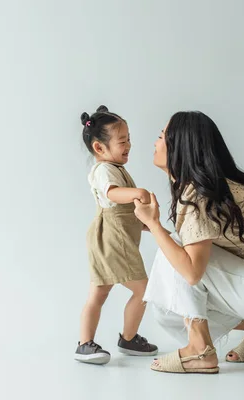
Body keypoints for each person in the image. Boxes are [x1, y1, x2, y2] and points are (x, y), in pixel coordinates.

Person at [134, 111, 244, 374]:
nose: (155, 143)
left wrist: (156, 226)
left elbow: (191, 272)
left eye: (161, 137)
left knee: (174, 258)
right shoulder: (208, 187)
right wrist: (157, 230)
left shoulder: (198, 193)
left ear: (180, 146)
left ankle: (199, 350)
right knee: (167, 305)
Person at [74, 105, 158, 365]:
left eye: (129, 139)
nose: (128, 145)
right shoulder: (104, 171)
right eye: (122, 141)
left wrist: (143, 223)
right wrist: (137, 193)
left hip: (113, 237)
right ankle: (127, 338)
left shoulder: (116, 168)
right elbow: (112, 195)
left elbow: (119, 209)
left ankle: (86, 343)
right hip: (111, 239)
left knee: (99, 293)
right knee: (144, 290)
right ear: (99, 148)